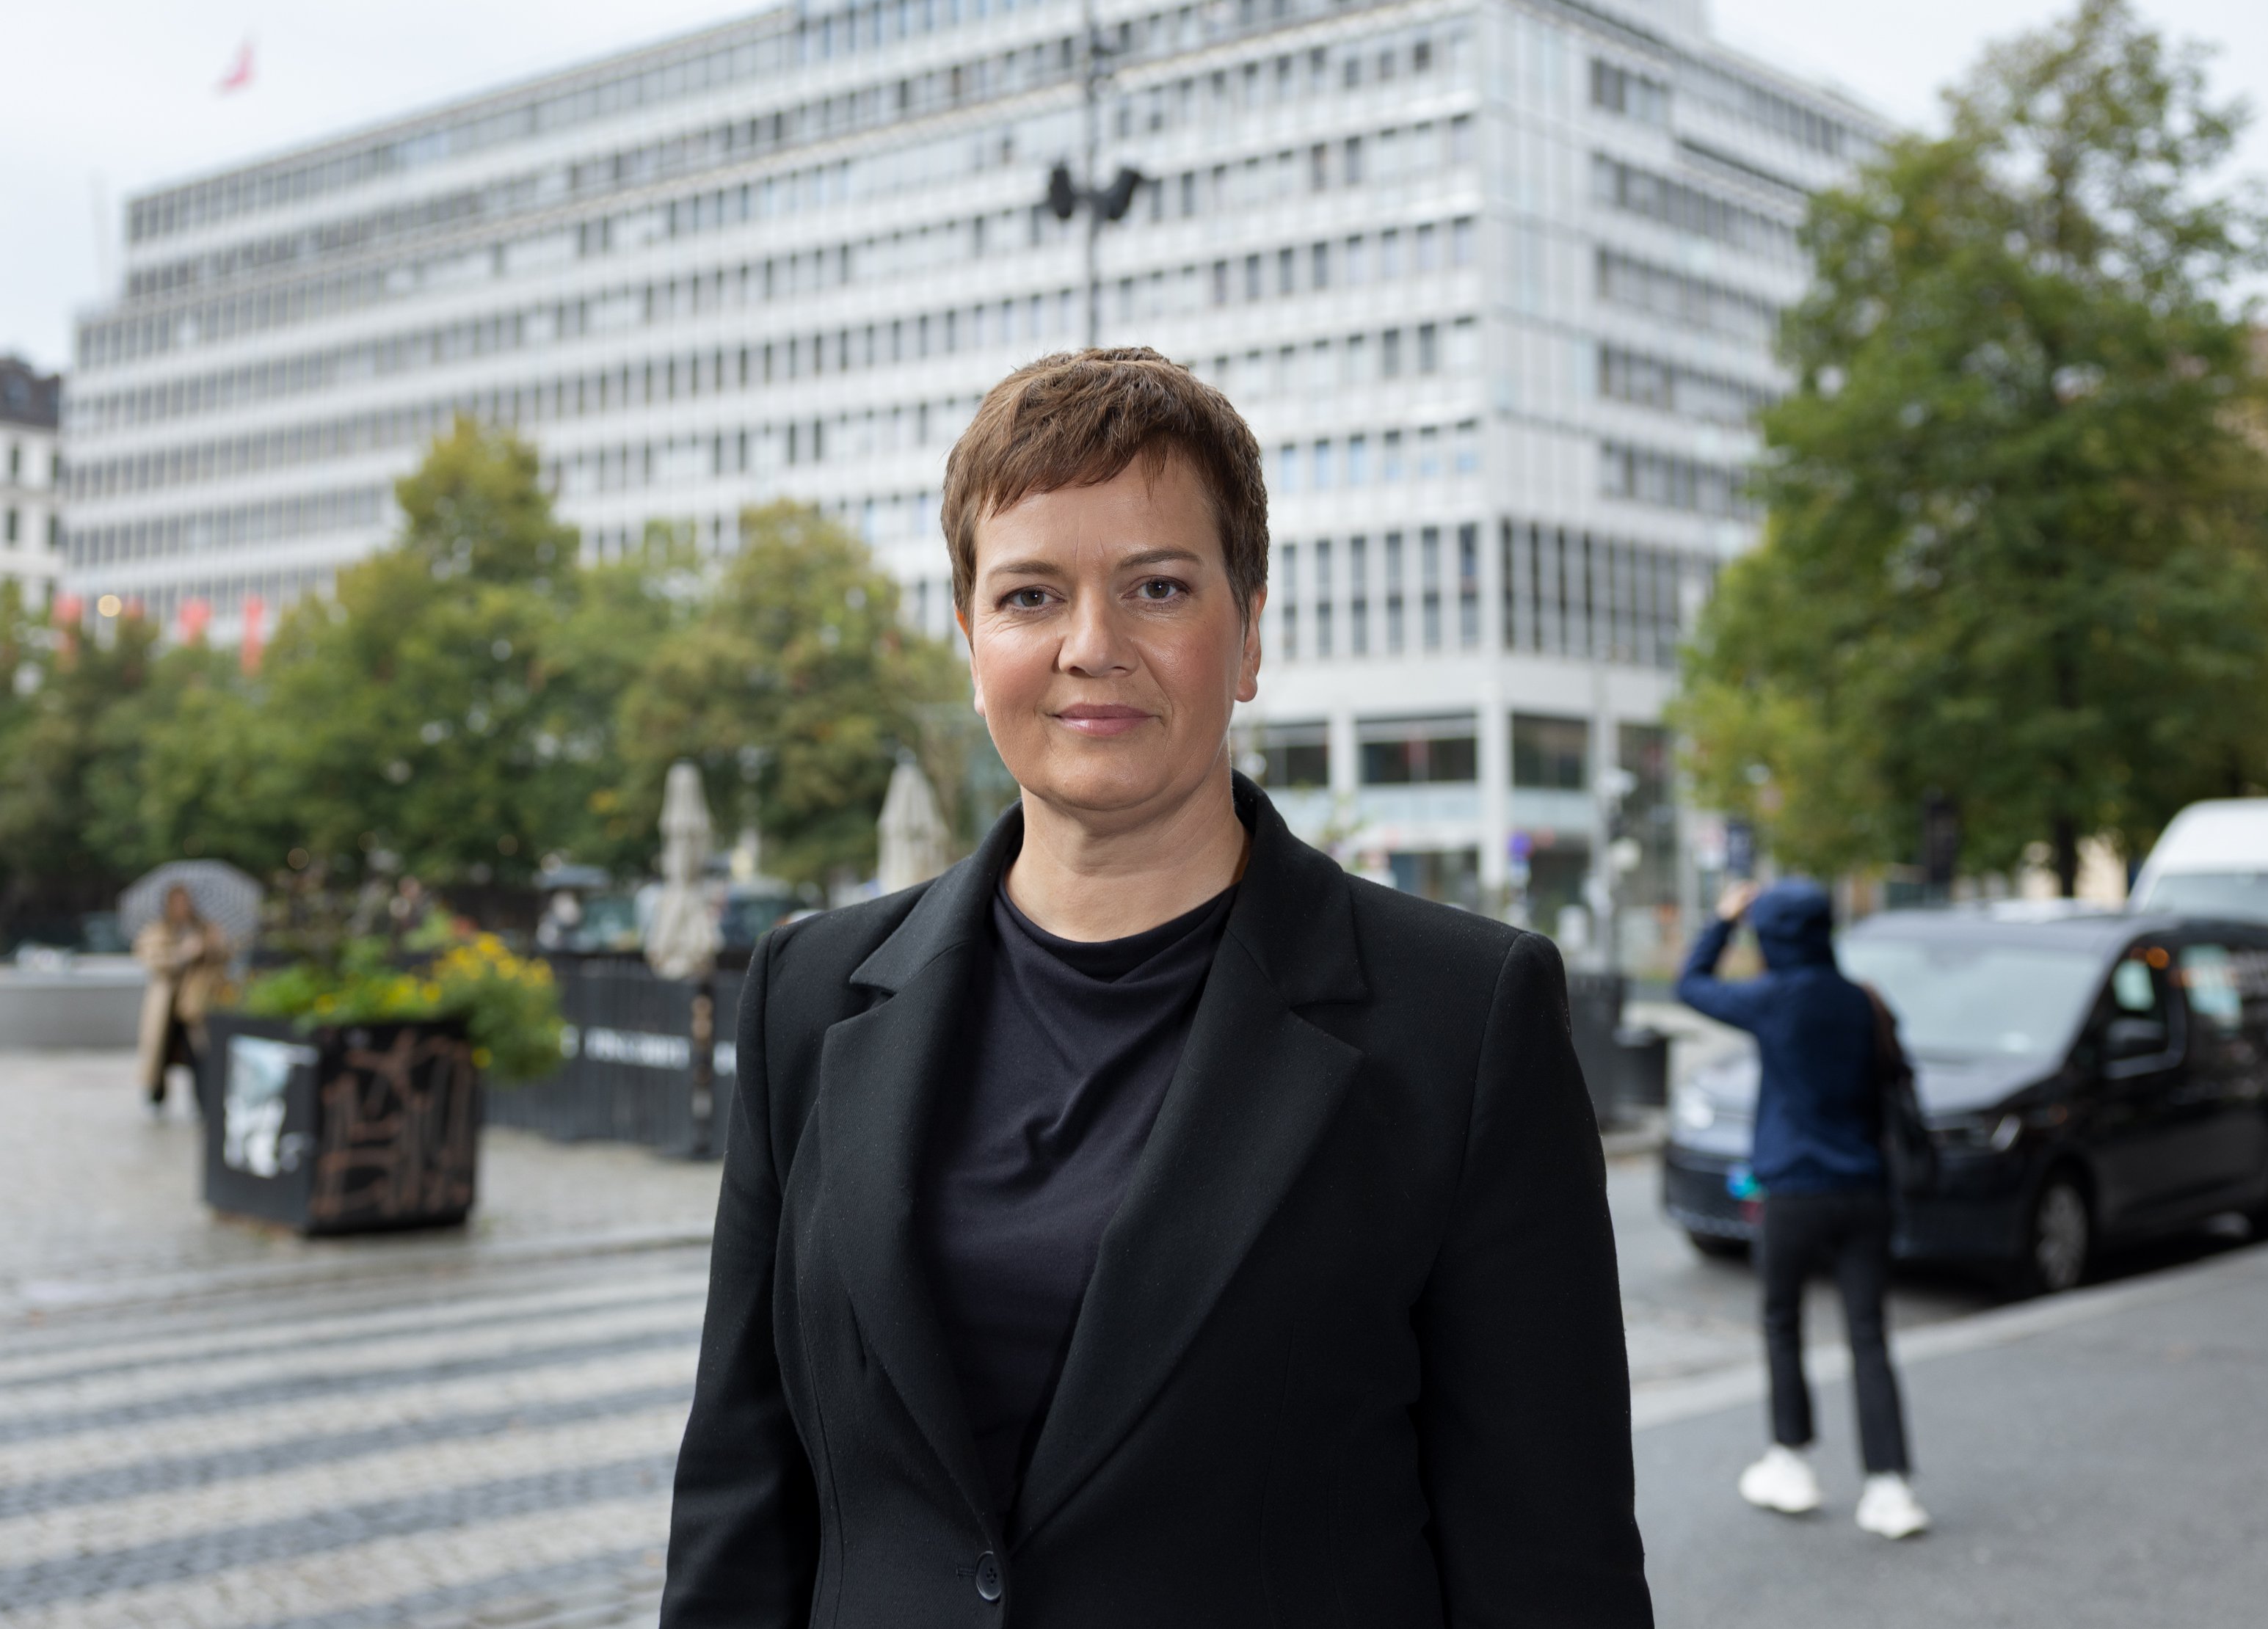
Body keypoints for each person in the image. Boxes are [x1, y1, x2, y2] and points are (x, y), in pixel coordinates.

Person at [663, 349, 1650, 1626]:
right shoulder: (810, 991)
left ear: (1247, 633)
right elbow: (742, 1491)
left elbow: (1550, 1562)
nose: (1091, 645)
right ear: (972, 642)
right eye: (1030, 594)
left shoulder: (1462, 1017)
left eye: (1158, 586)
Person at [1676, 877, 1928, 1541]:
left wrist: (1723, 920)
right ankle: (1890, 1487)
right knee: (1869, 1336)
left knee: (1783, 1324)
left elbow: (1691, 984)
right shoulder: (1860, 1001)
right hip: (1865, 1190)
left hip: (1791, 1191)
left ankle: (1791, 1462)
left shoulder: (1771, 1000)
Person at [134, 883, 233, 1111]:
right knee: (160, 1054)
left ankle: (203, 1101)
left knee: (199, 1055)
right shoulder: (159, 930)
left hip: (194, 1004)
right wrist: (183, 953)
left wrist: (214, 945)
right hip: (166, 1005)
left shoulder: (206, 929)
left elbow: (226, 957)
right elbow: (151, 959)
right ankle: (156, 1094)